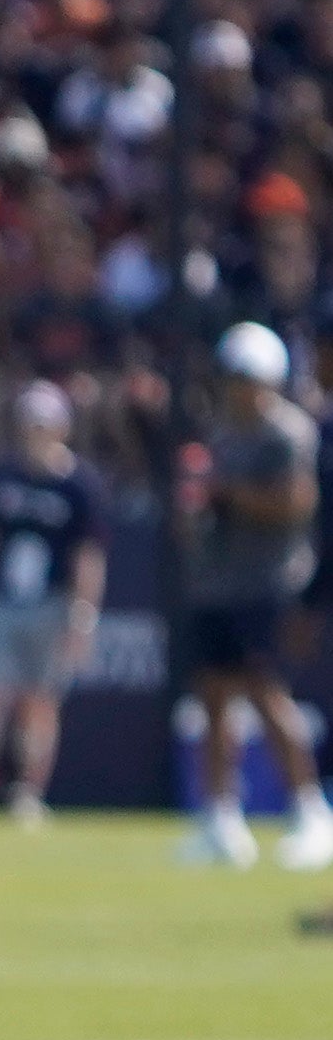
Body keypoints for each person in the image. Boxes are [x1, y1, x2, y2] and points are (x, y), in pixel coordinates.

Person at [175, 321, 325, 870]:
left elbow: (294, 504)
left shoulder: (288, 434)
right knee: (214, 699)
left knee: (265, 693)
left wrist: (226, 494)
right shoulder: (220, 434)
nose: (241, 387)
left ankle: (309, 811)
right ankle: (220, 819)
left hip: (266, 584)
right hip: (216, 583)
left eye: (250, 377)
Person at [0, 383, 104, 828]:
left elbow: (88, 557)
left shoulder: (79, 485)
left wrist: (82, 616)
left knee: (39, 702)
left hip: (51, 604)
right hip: (3, 601)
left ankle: (28, 791)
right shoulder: (5, 476)